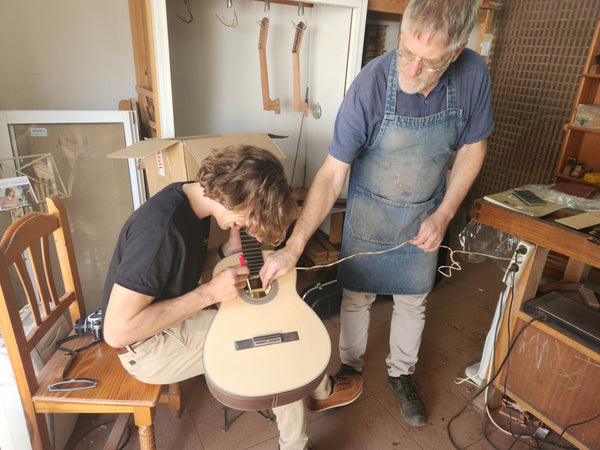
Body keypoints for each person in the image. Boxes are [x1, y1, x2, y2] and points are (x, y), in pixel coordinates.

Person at [260, 0, 494, 428]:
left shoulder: (474, 74)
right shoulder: (369, 86)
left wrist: (443, 215)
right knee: (357, 296)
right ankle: (350, 366)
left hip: (425, 211)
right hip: (369, 210)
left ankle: (401, 374)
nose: (411, 69)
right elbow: (332, 175)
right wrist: (293, 246)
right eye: (406, 53)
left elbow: (473, 148)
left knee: (413, 300)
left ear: (456, 53)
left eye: (429, 62)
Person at [102, 145, 363, 450]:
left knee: (270, 325)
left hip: (170, 321)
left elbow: (178, 273)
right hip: (147, 347)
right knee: (274, 349)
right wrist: (209, 293)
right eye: (253, 216)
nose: (252, 227)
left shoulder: (190, 201)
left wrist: (226, 250)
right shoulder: (159, 232)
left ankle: (319, 390)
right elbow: (117, 332)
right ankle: (299, 438)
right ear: (239, 197)